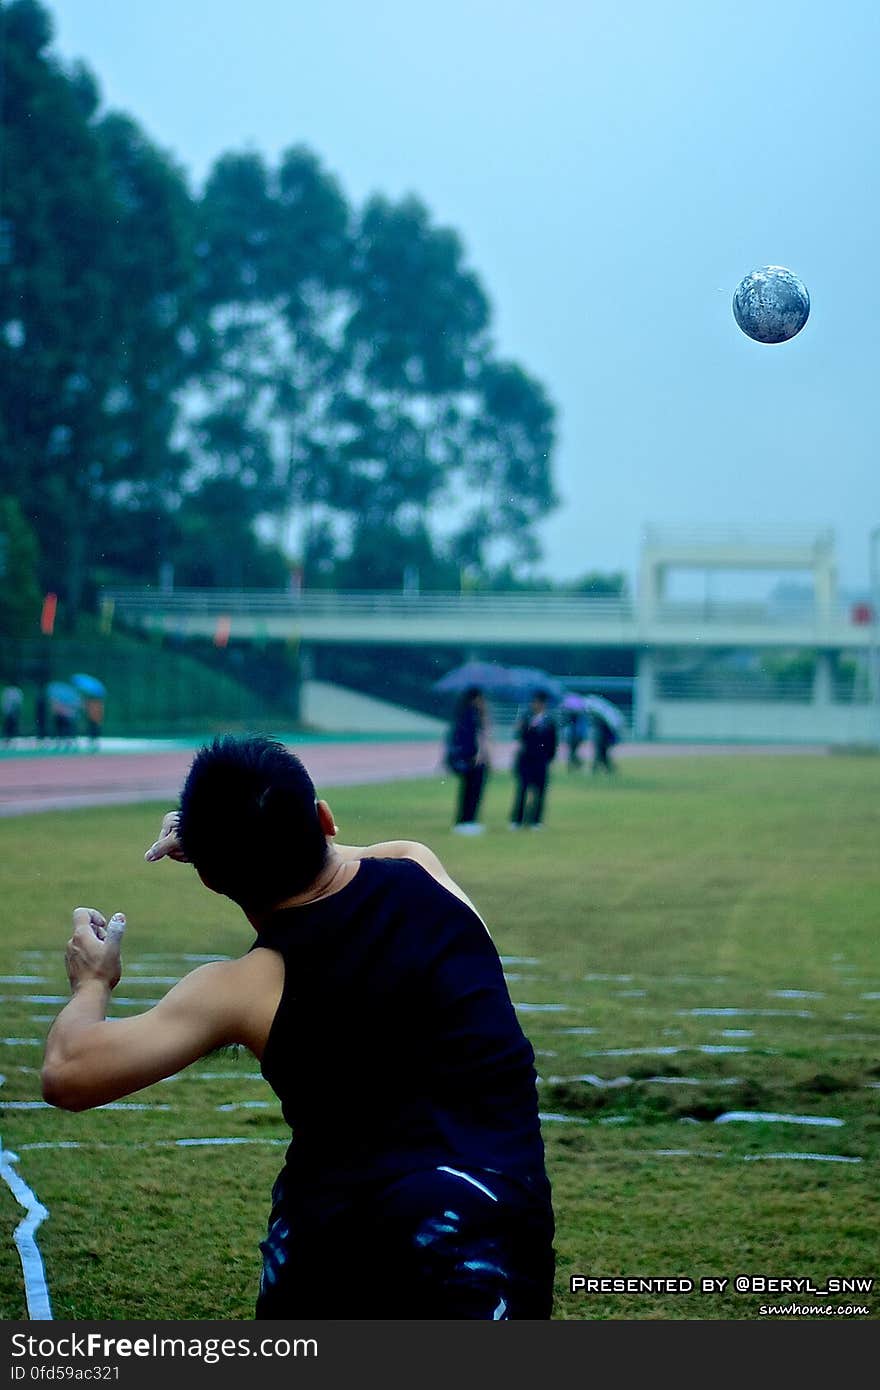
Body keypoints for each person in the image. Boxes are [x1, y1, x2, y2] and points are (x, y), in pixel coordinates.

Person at [41, 735, 555, 1320]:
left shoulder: (244, 987)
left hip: (340, 1249)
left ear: (209, 878)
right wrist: (234, 835)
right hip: (493, 1238)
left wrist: (92, 983)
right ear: (325, 818)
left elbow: (67, 1073)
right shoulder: (419, 866)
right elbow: (337, 856)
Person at [445, 686, 491, 834]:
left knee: (469, 791)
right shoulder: (471, 715)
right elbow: (473, 739)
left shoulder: (465, 714)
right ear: (476, 699)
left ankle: (465, 821)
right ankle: (468, 821)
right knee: (472, 791)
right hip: (473, 760)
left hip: (470, 759)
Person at [510, 691, 558, 829]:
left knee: (540, 792)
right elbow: (519, 737)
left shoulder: (549, 722)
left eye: (538, 702)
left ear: (543, 704)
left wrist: (548, 758)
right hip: (526, 760)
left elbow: (553, 743)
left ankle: (536, 821)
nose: (535, 705)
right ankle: (517, 820)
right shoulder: (525, 719)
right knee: (522, 790)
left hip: (541, 761)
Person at [590, 708, 619, 774]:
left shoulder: (602, 725)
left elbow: (601, 737)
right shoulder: (606, 723)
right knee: (603, 757)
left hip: (602, 743)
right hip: (604, 743)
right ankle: (608, 770)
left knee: (600, 756)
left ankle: (594, 771)